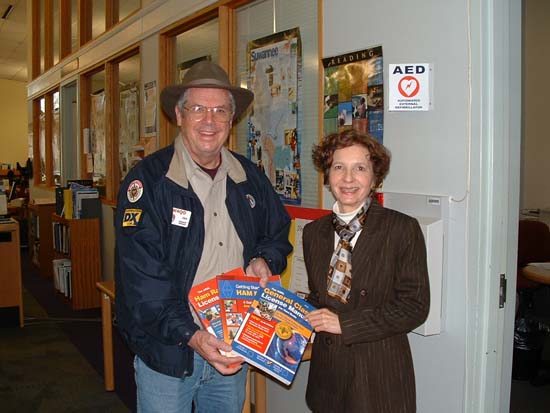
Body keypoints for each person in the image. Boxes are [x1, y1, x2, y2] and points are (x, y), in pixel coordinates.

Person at [115, 60, 292, 413]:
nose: (209, 120)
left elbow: (276, 233)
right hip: (169, 355)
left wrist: (264, 260)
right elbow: (143, 282)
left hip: (230, 350)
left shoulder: (249, 178)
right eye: (198, 109)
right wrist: (192, 336)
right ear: (179, 116)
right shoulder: (148, 183)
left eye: (219, 110)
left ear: (231, 119)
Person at [303, 129, 430, 412]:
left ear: (375, 178)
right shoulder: (313, 233)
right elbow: (318, 296)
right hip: (328, 377)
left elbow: (414, 307)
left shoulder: (402, 229)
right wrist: (286, 315)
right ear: (327, 175)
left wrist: (345, 325)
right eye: (338, 167)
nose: (348, 179)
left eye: (360, 168)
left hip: (378, 375)